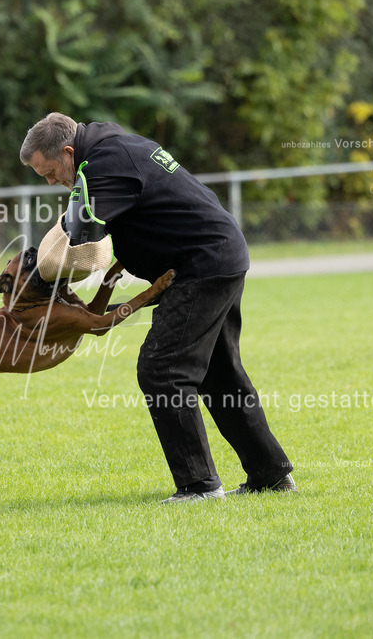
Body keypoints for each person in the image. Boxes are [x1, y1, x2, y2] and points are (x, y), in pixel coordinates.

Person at [20, 113, 295, 503]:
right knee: (219, 373)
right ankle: (270, 475)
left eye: (49, 173)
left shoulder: (104, 163)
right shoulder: (109, 147)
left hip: (200, 265)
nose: (51, 182)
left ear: (67, 152)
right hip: (218, 254)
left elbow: (84, 236)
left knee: (162, 369)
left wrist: (48, 260)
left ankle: (199, 486)